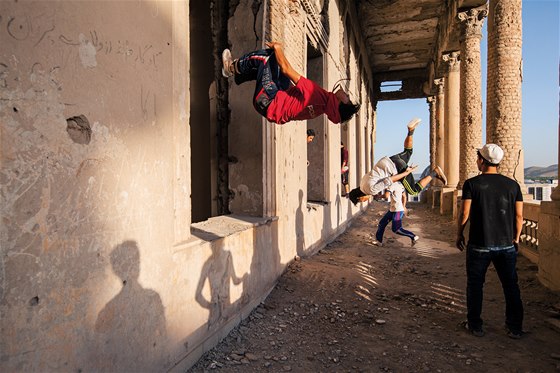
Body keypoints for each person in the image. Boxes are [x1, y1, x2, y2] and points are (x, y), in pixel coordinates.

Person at [456, 143, 524, 339]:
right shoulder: (513, 185)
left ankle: (475, 325)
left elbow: (465, 213)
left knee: (476, 285)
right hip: (506, 245)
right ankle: (514, 328)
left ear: (482, 160)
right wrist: (516, 238)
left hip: (479, 244)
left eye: (478, 157)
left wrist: (459, 234)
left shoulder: (472, 184)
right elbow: (519, 216)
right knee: (511, 286)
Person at [222, 41, 360, 124]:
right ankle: (241, 76)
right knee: (277, 68)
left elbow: (287, 69)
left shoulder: (317, 94)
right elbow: (292, 95)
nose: (347, 93)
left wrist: (278, 49)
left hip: (267, 100)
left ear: (340, 103)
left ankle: (232, 67)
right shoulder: (320, 109)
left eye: (348, 98)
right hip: (271, 106)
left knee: (268, 57)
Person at [348, 118, 447, 205]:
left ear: (359, 197)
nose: (364, 201)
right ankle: (411, 131)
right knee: (408, 151)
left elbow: (390, 180)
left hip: (395, 168)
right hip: (387, 161)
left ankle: (435, 173)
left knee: (414, 191)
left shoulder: (371, 190)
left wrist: (405, 173)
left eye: (361, 201)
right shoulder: (362, 183)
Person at [372, 181, 419, 246]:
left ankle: (413, 236)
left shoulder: (391, 184)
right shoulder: (400, 184)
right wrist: (404, 206)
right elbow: (404, 196)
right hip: (393, 210)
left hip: (398, 211)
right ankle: (379, 241)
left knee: (396, 229)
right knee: (382, 223)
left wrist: (378, 196)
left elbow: (386, 195)